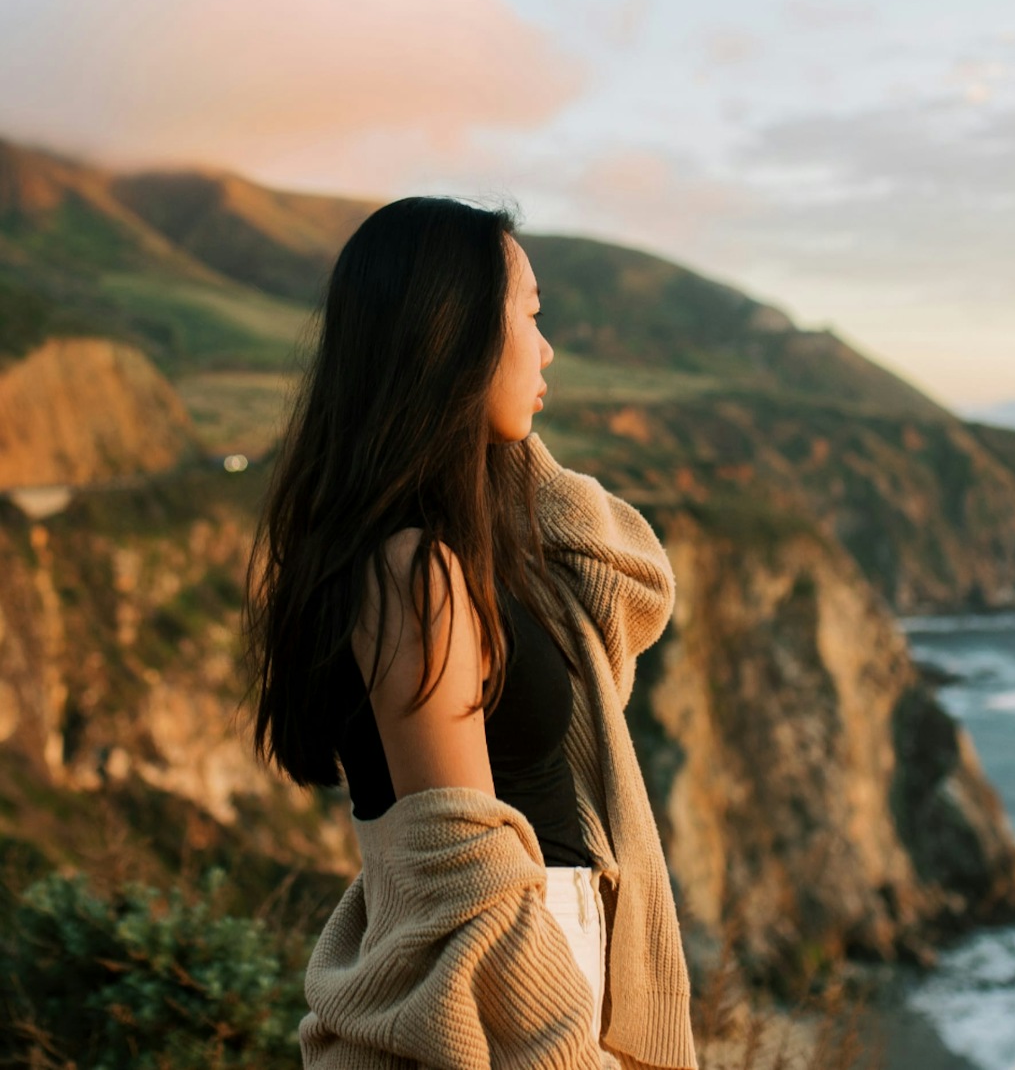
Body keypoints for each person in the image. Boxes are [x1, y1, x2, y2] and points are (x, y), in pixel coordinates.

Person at [242, 196, 698, 1069]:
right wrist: (566, 1053)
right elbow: (467, 863)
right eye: (529, 315)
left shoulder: (471, 548)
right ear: (452, 338)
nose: (549, 346)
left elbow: (631, 583)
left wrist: (496, 431)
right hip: (511, 1008)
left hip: (535, 985)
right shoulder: (416, 573)